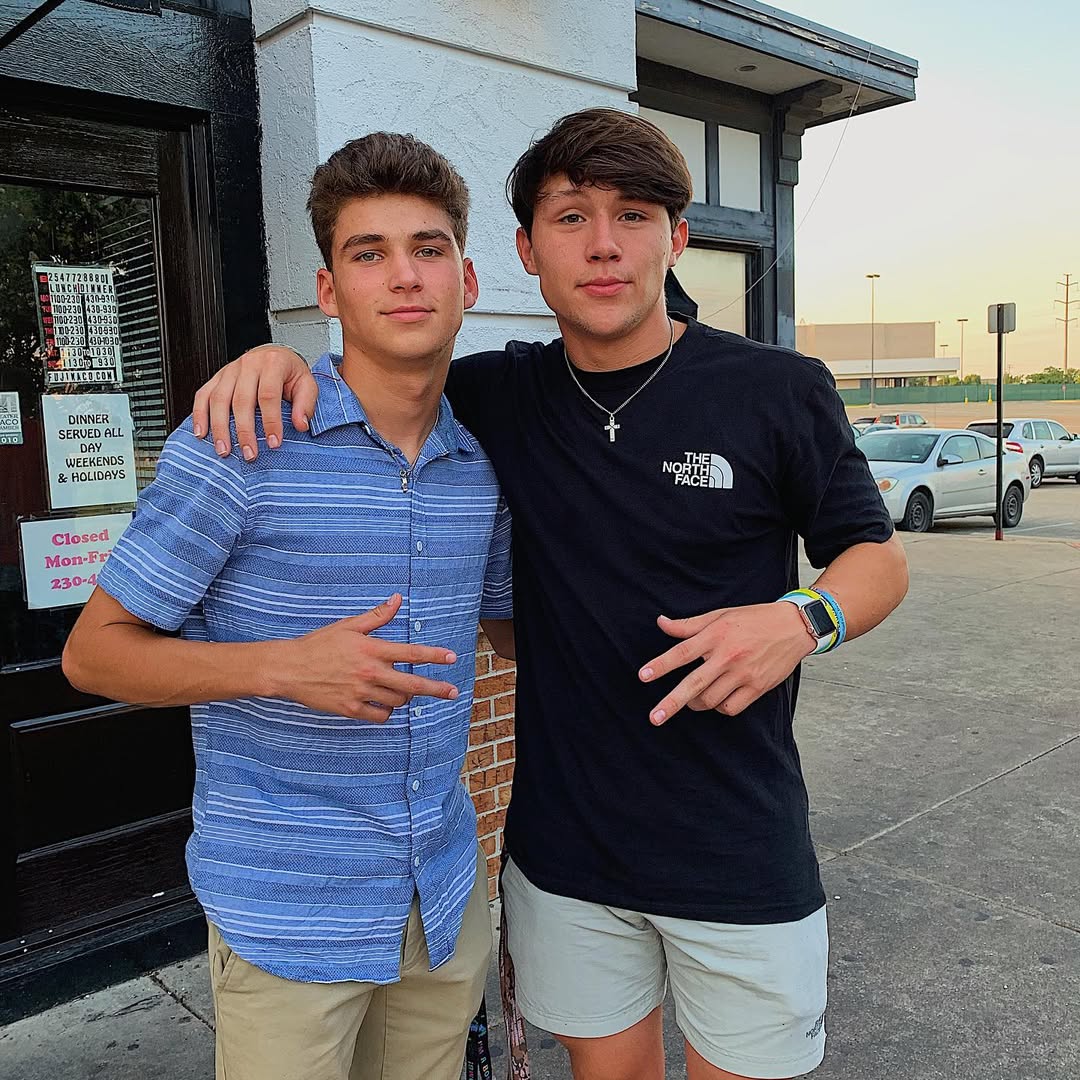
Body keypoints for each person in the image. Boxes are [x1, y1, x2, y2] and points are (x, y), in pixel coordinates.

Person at [189, 108, 909, 1080]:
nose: (603, 244)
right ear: (527, 251)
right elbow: (379, 373)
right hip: (567, 853)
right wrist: (274, 362)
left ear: (676, 238)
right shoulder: (495, 396)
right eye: (571, 218)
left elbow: (876, 557)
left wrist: (801, 618)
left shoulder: (777, 390)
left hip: (739, 842)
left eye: (634, 215)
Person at [62, 133, 514, 1080]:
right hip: (288, 915)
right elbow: (94, 653)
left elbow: (515, 635)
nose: (405, 275)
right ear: (328, 290)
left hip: (440, 902)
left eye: (428, 248)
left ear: (467, 280)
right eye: (369, 253)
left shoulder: (479, 469)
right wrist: (283, 666)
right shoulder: (240, 442)